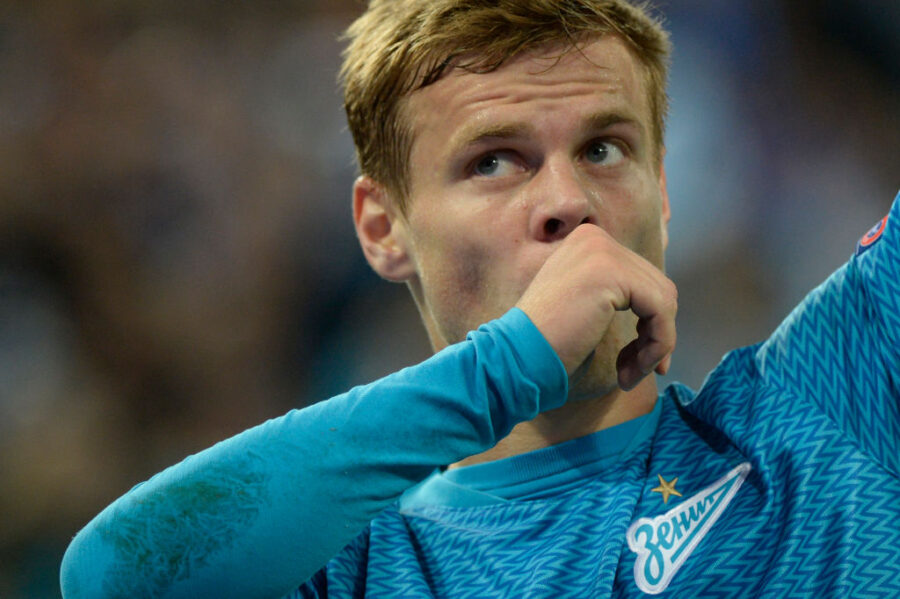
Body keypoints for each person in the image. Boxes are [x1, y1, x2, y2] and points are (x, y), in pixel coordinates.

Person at [60, 0, 900, 597]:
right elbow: (110, 574)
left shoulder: (830, 402)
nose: (566, 200)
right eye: (494, 161)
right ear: (383, 227)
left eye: (604, 148)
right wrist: (508, 366)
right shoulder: (357, 569)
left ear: (664, 191)